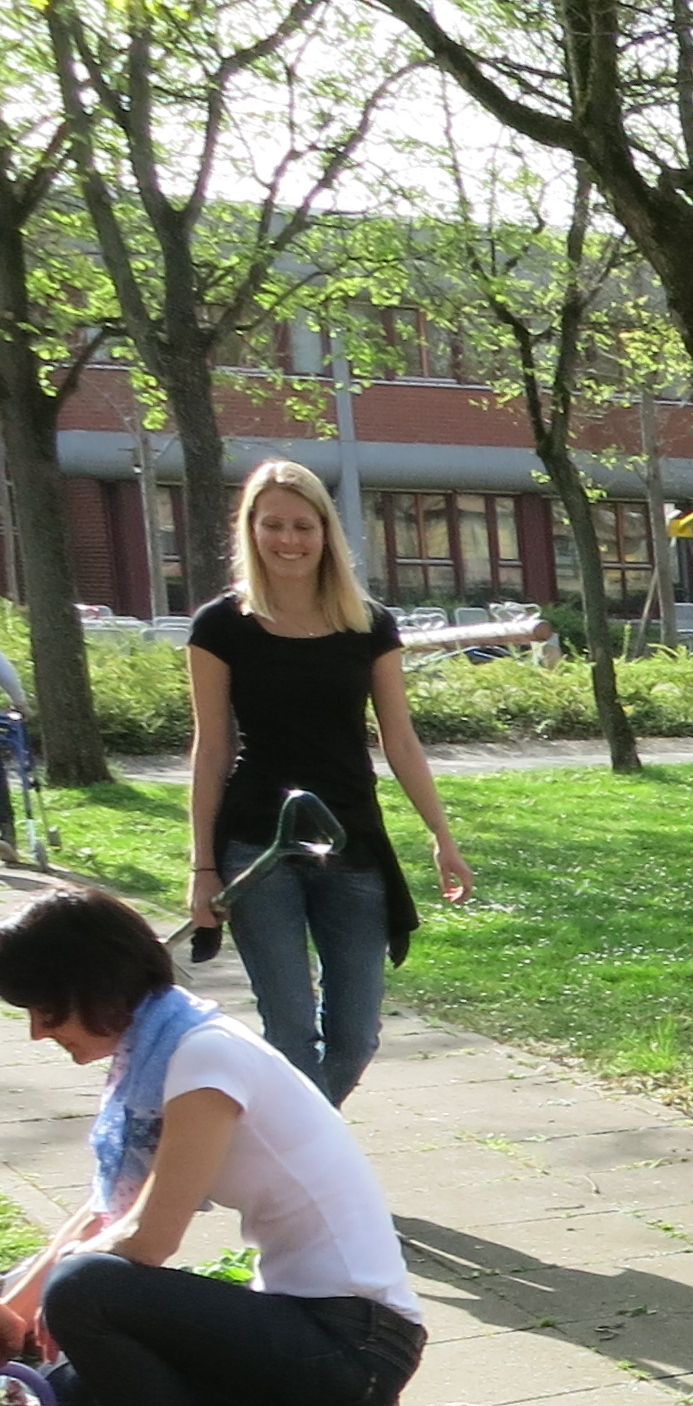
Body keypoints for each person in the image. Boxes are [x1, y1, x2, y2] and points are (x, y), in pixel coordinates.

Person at [0, 883, 425, 1406]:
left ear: (93, 986)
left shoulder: (204, 1057)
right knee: (69, 1386)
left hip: (356, 1344)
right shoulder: (164, 1049)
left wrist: (52, 1292)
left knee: (82, 1288)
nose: (38, 1033)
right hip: (308, 1332)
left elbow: (149, 1239)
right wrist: (13, 1308)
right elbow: (108, 1209)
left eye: (46, 1010)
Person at [184, 457, 479, 1105]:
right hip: (258, 844)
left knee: (356, 1036)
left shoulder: (368, 624)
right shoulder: (220, 626)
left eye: (303, 526)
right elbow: (211, 750)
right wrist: (202, 868)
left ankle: (280, 1146)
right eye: (273, 525)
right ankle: (304, 1161)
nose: (288, 540)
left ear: (326, 532)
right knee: (290, 1031)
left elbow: (400, 738)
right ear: (251, 531)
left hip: (352, 837)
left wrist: (442, 835)